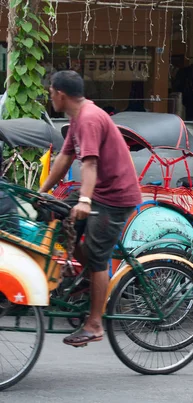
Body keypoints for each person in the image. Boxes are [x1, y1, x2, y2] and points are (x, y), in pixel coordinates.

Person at [40, 70, 142, 346]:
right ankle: (87, 278)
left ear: (60, 94)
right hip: (96, 191)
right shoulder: (78, 116)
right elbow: (64, 158)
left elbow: (90, 164)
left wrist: (84, 200)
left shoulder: (89, 118)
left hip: (114, 196)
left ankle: (95, 324)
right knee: (57, 217)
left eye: (51, 92)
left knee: (99, 257)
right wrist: (42, 193)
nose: (50, 97)